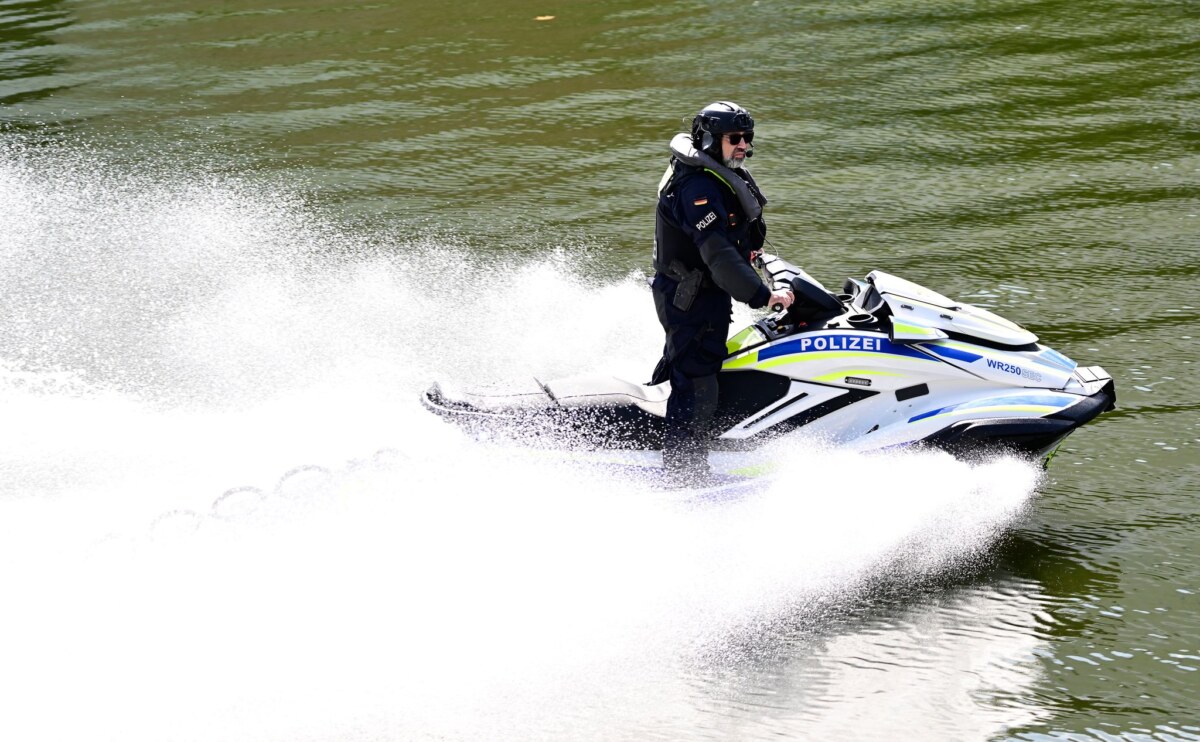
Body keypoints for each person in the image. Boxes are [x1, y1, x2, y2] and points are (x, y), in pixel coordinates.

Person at [650, 101, 795, 482]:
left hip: (703, 295)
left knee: (705, 370)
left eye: (748, 137)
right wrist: (764, 296)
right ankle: (684, 476)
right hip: (689, 299)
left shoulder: (715, 175)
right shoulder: (696, 187)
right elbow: (717, 255)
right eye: (735, 138)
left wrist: (761, 261)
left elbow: (734, 242)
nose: (743, 145)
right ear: (712, 139)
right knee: (696, 383)